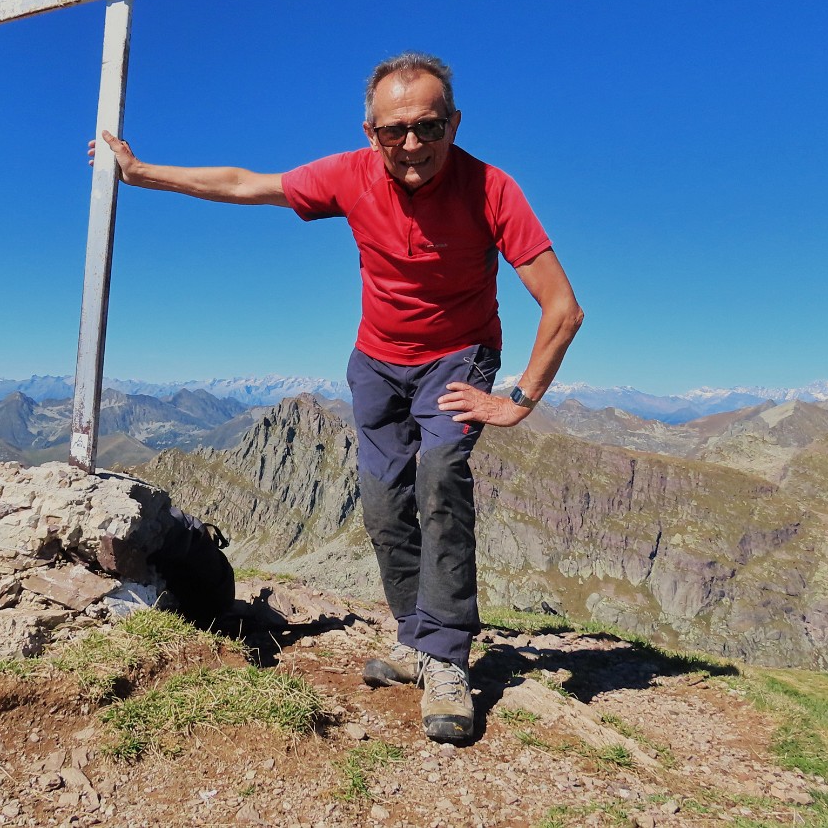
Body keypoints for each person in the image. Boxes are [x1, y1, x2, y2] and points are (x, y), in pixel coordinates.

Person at [89, 52, 583, 743]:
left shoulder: (491, 189)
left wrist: (520, 398)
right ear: (370, 131)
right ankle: (416, 639)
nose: (412, 144)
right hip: (376, 362)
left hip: (457, 359)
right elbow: (244, 184)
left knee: (440, 479)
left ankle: (445, 659)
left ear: (455, 122)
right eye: (394, 130)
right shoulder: (350, 175)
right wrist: (143, 174)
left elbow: (562, 306)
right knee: (383, 504)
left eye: (429, 126)